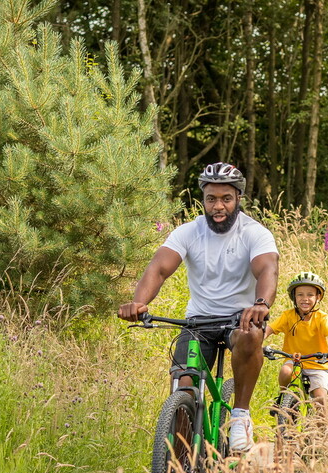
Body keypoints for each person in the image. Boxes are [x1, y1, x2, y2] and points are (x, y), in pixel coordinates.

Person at [118, 162, 279, 453]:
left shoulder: (255, 233)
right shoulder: (188, 232)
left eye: (226, 199)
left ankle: (241, 415)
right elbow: (159, 268)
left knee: (253, 334)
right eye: (211, 199)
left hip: (239, 319)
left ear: (238, 199)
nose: (219, 206)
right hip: (198, 322)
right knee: (184, 391)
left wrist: (261, 304)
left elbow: (267, 269)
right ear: (202, 200)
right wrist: (140, 301)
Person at [266, 271, 328, 415]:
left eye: (310, 295)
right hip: (293, 360)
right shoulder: (288, 316)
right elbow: (270, 328)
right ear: (294, 296)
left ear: (318, 297)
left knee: (320, 400)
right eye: (300, 294)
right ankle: (283, 397)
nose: (305, 299)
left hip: (317, 364)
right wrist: (257, 342)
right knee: (285, 372)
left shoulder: (321, 317)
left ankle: (319, 434)